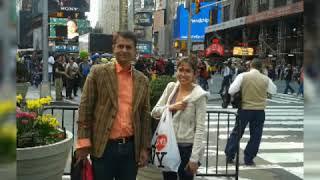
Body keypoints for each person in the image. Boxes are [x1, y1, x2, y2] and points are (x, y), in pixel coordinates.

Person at [75, 31, 151, 180]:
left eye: (128, 47)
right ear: (113, 48)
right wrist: (83, 143)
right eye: (120, 46)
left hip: (131, 149)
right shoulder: (98, 73)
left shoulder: (142, 80)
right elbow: (85, 109)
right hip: (103, 147)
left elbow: (145, 116)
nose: (124, 50)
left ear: (135, 51)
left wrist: (144, 148)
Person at [151, 57, 208, 180]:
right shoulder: (171, 87)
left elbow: (200, 129)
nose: (183, 74)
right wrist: (171, 107)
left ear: (194, 74)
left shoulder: (199, 96)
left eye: (188, 71)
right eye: (180, 70)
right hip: (167, 144)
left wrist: (194, 158)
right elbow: (155, 112)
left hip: (187, 148)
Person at [224, 58, 277, 166]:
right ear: (261, 68)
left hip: (244, 108)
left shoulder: (243, 76)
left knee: (237, 132)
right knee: (256, 136)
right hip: (259, 111)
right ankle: (249, 158)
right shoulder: (265, 79)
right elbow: (273, 90)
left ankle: (230, 154)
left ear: (250, 65)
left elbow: (231, 90)